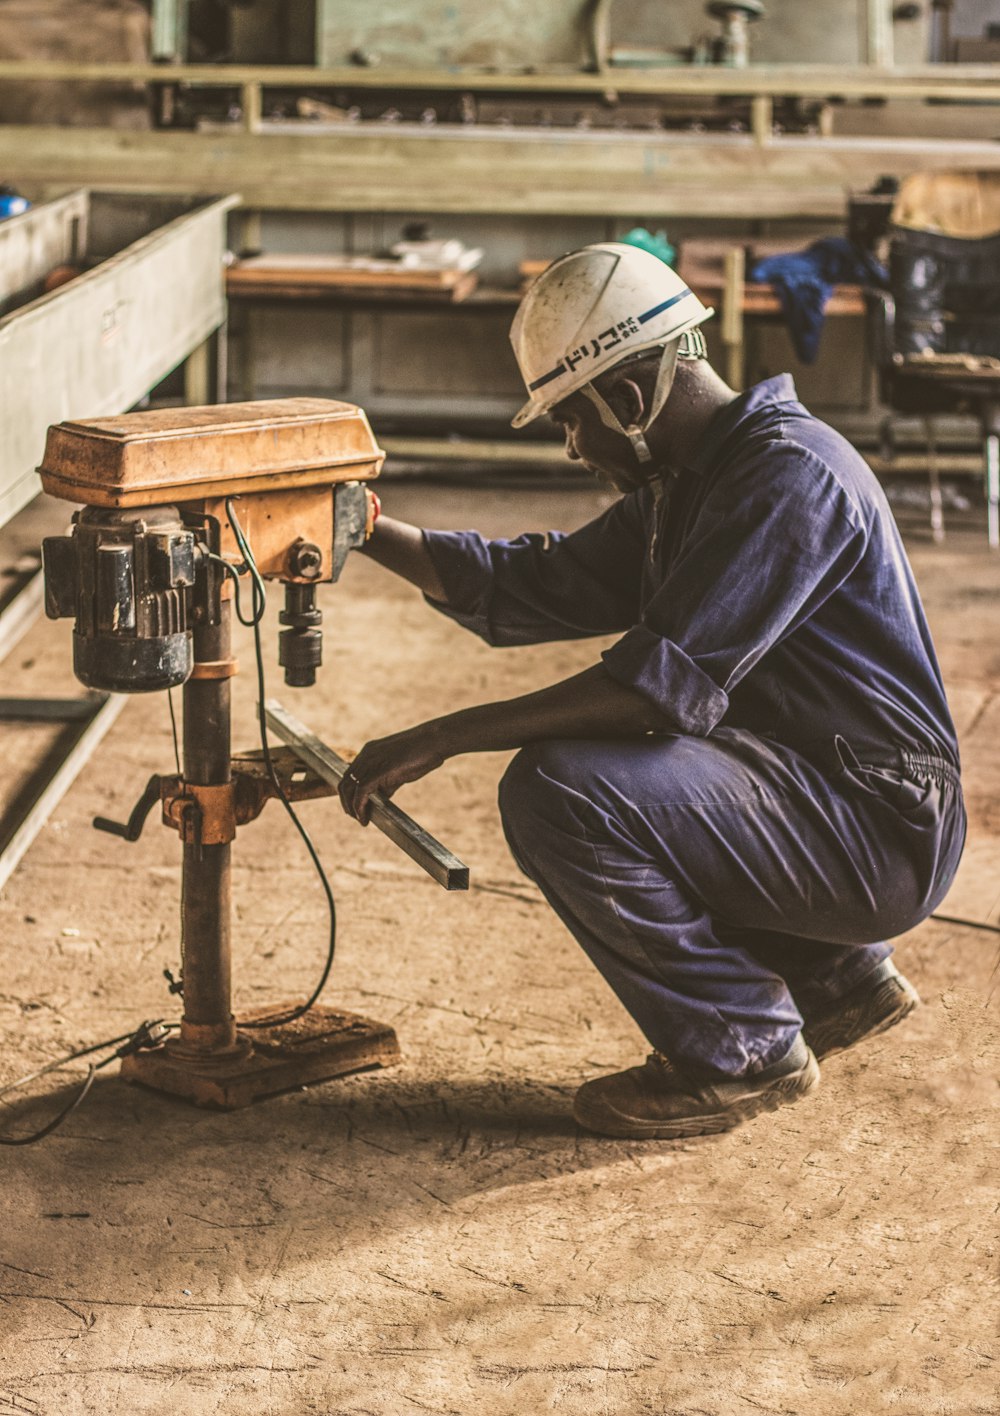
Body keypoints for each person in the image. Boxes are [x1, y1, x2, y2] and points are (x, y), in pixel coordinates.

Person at [338, 241, 965, 1141]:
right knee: (644, 775)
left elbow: (656, 692)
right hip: (831, 798)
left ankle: (742, 1049)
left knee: (564, 789)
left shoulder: (788, 476)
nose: (572, 446)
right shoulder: (694, 483)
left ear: (626, 400)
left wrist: (446, 733)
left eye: (569, 420)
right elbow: (530, 585)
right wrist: (363, 527)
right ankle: (835, 976)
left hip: (882, 828)